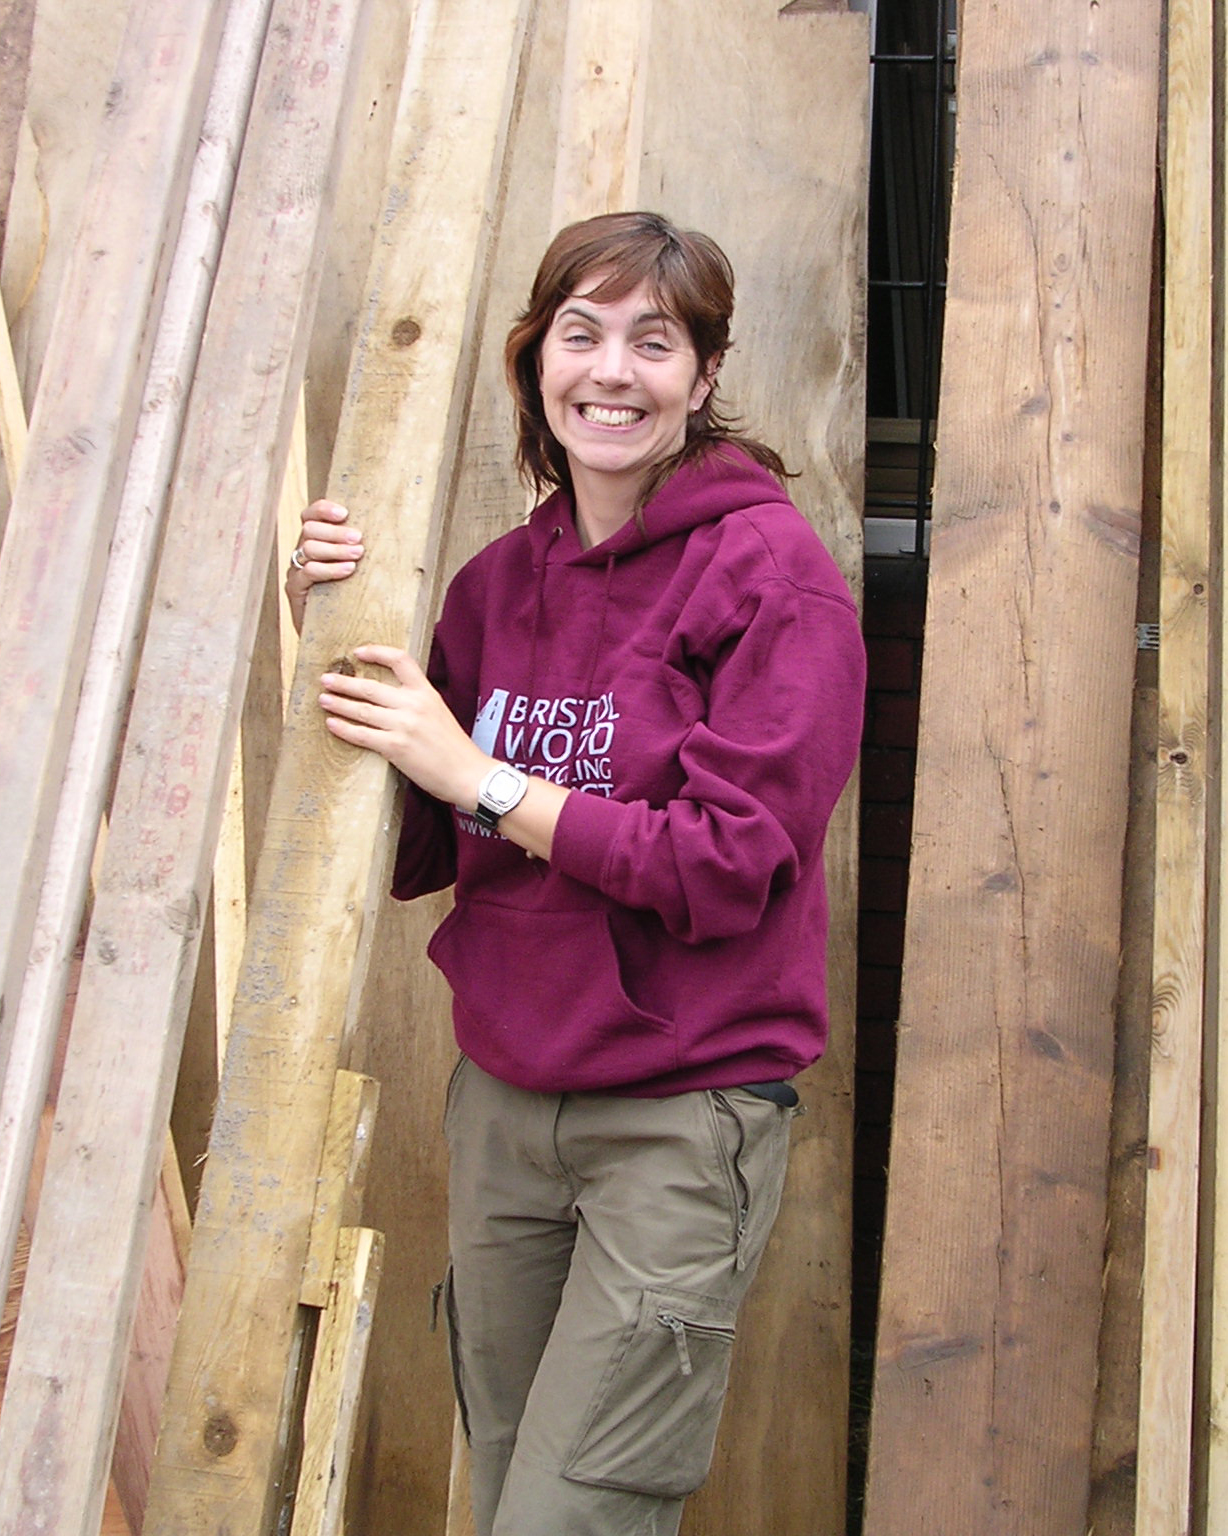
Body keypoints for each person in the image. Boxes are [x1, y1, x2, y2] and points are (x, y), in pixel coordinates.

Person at [287, 210, 865, 1536]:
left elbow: (732, 864)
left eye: (653, 343)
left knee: (575, 1517)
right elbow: (416, 838)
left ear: (704, 377)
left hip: (677, 1116)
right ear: (536, 360)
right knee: (507, 1486)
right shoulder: (498, 585)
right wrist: (332, 623)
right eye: (581, 333)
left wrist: (485, 778)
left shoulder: (773, 579)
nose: (612, 370)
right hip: (504, 1107)